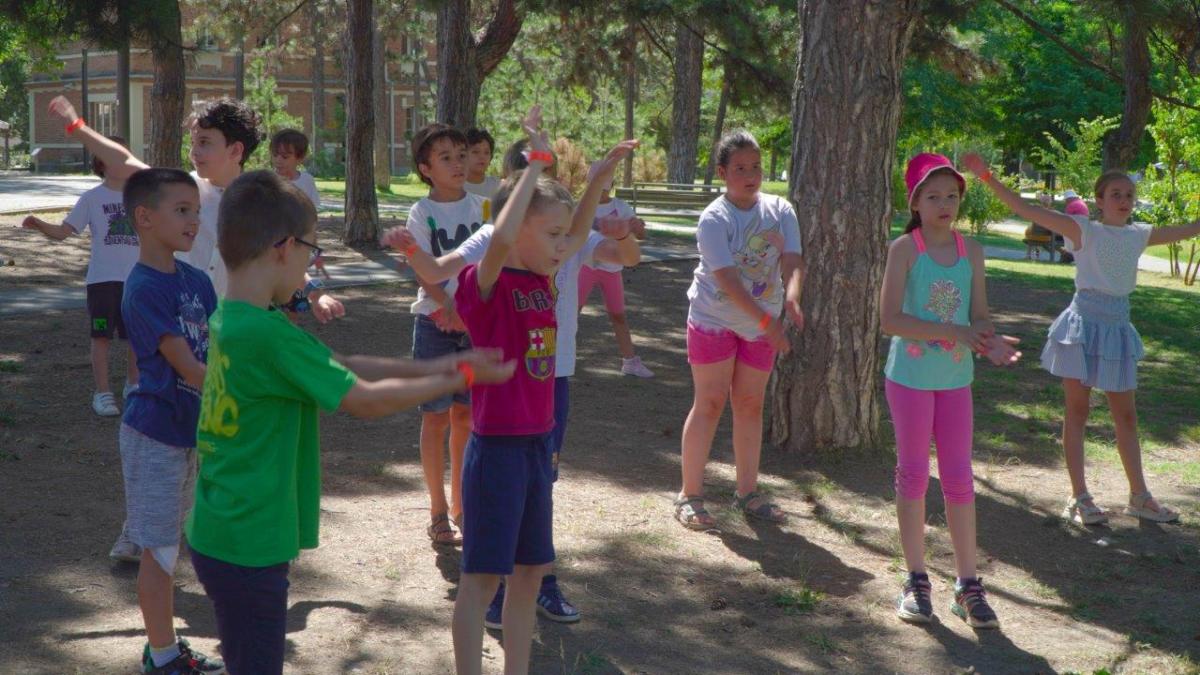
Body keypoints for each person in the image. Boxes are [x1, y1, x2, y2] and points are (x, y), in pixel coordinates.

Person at [186, 170, 513, 675]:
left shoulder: (236, 318)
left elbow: (343, 364)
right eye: (310, 251)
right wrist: (462, 374)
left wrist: (444, 364)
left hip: (220, 529)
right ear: (284, 248)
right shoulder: (270, 335)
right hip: (250, 540)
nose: (311, 265)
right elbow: (364, 400)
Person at [382, 148, 641, 630]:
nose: (562, 244)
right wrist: (413, 252)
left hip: (547, 393)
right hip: (503, 410)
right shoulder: (496, 251)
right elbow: (452, 264)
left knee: (539, 493)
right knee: (500, 500)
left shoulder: (553, 252)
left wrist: (598, 182)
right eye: (525, 175)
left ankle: (539, 581)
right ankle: (495, 589)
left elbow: (586, 236)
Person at [442, 105, 636, 675]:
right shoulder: (484, 284)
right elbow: (502, 235)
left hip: (536, 445)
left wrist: (596, 179)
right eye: (549, 234)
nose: (562, 245)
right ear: (517, 227)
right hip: (496, 451)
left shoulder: (544, 278)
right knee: (481, 582)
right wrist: (534, 165)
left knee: (529, 575)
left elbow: (574, 232)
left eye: (561, 236)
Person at [964, 153, 1200, 526]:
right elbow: (1025, 208)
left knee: (1126, 416)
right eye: (1116, 194)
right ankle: (1079, 496)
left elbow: (1190, 229)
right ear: (1099, 201)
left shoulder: (1139, 235)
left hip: (1117, 329)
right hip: (1082, 328)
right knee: (1077, 412)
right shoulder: (1083, 230)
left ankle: (1140, 497)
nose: (1124, 200)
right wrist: (986, 176)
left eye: (1129, 195)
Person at [46, 95, 344, 322]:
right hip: (184, 322)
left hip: (235, 325)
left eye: (204, 143)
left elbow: (286, 258)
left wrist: (316, 295)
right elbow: (124, 161)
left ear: (235, 150)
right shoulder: (183, 189)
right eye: (193, 142)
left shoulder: (261, 203)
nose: (194, 152)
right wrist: (77, 126)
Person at [881, 153, 1021, 630]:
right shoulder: (905, 250)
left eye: (952, 196)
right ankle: (916, 580)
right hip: (910, 380)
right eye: (933, 196)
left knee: (960, 479)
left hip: (956, 381)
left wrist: (987, 340)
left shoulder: (971, 250)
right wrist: (955, 331)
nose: (945, 204)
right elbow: (890, 320)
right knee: (914, 475)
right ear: (915, 202)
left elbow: (978, 315)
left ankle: (968, 585)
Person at [116, 167, 224, 674]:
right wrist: (244, 397)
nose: (193, 221)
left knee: (172, 543)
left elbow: (221, 347)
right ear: (144, 217)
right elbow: (189, 367)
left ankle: (167, 647)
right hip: (154, 434)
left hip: (189, 430)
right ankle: (162, 656)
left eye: (196, 211)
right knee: (158, 550)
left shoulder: (197, 281)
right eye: (181, 210)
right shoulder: (142, 288)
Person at [674, 130, 804, 531]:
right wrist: (768, 323)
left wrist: (791, 299)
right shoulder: (715, 218)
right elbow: (728, 281)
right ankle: (689, 495)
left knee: (750, 404)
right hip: (713, 319)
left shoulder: (780, 210)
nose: (751, 176)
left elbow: (792, 259)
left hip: (762, 324)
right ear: (722, 173)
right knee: (710, 402)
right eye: (741, 168)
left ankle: (747, 492)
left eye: (756, 167)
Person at [405, 123, 490, 545]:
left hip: (475, 329)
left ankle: (462, 505)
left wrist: (468, 314)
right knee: (435, 417)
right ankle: (437, 510)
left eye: (461, 155)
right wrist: (449, 307)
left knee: (467, 417)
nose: (458, 164)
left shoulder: (484, 208)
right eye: (445, 158)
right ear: (426, 168)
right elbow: (423, 268)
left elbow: (491, 264)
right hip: (434, 326)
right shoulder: (421, 213)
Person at [22, 136, 140, 420]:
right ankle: (102, 393)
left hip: (136, 281)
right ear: (101, 163)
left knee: (136, 337)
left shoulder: (141, 198)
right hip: (102, 282)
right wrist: (39, 223)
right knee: (101, 337)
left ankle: (134, 386)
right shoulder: (91, 198)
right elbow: (64, 232)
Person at [577, 161, 654, 378]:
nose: (598, 191)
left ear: (610, 185)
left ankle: (630, 361)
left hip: (612, 270)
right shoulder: (581, 206)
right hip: (585, 267)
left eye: (603, 186)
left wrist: (638, 229)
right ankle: (557, 354)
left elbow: (640, 234)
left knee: (618, 315)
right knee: (571, 312)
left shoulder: (621, 207)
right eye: (594, 184)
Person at [270, 128, 321, 208]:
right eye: (275, 155)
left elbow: (312, 209)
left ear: (300, 158)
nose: (278, 160)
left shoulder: (307, 180)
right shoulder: (267, 181)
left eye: (285, 157)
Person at [464, 127, 501, 201]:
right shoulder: (453, 187)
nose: (482, 157)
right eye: (475, 152)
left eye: (486, 153)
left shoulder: (498, 186)